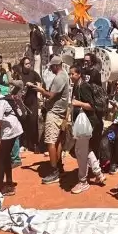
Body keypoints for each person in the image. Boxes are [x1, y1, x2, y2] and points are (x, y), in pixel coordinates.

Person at [69, 65, 106, 193]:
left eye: (72, 74)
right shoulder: (77, 85)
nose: (71, 76)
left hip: (87, 123)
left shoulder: (84, 86)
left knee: (80, 152)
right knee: (85, 149)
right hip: (82, 123)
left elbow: (91, 106)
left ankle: (83, 181)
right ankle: (98, 173)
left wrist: (77, 103)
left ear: (79, 74)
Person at [35, 55, 71, 185]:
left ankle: (54, 171)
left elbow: (50, 95)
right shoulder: (64, 76)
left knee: (50, 141)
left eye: (51, 67)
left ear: (56, 66)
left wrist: (40, 90)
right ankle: (59, 167)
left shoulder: (60, 77)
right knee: (58, 141)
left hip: (54, 113)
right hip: (60, 113)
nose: (50, 69)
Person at [0, 86, 23, 200]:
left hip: (10, 132)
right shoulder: (5, 98)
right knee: (5, 157)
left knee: (1, 159)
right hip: (14, 130)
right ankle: (9, 185)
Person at [18, 57, 42, 152]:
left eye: (29, 63)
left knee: (33, 122)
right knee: (24, 122)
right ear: (22, 65)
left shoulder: (34, 74)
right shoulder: (19, 75)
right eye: (26, 64)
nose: (28, 65)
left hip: (32, 101)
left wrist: (32, 85)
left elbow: (40, 84)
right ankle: (24, 143)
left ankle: (34, 143)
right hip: (23, 102)